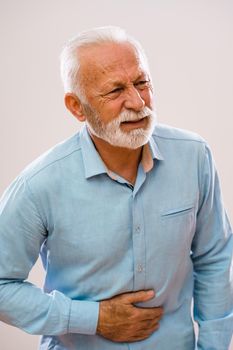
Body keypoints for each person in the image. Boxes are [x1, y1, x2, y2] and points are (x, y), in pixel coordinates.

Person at [0, 26, 232, 350]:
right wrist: (93, 318)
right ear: (76, 107)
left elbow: (215, 258)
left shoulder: (194, 156)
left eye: (142, 82)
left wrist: (214, 346)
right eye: (115, 91)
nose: (137, 102)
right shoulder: (38, 186)